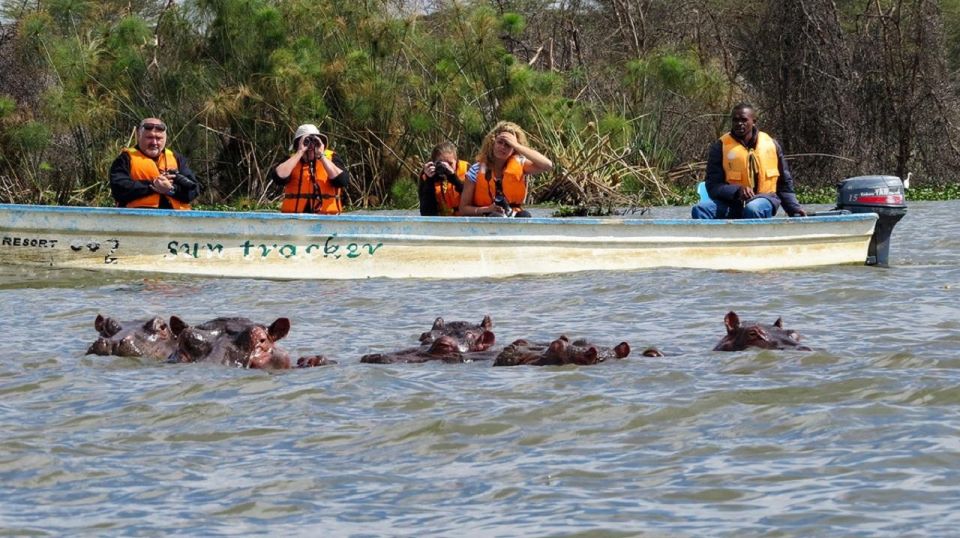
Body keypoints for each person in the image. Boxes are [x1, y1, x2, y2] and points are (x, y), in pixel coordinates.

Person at [691, 103, 806, 219]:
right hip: (731, 203)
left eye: (744, 120)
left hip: (765, 200)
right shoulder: (719, 147)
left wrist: (794, 208)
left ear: (754, 121)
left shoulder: (771, 145)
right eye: (735, 120)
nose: (739, 123)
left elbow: (784, 183)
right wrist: (737, 191)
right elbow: (713, 186)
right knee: (700, 209)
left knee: (753, 208)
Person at [459, 121, 553, 217]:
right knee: (496, 216)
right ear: (492, 143)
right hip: (487, 217)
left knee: (524, 215)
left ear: (513, 149)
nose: (502, 147)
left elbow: (547, 165)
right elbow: (463, 209)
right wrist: (487, 209)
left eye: (508, 145)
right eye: (500, 142)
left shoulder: (521, 164)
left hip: (513, 215)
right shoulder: (475, 170)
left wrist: (516, 145)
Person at [109, 118, 201, 209]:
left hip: (174, 220)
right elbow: (119, 190)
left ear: (165, 138)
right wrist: (153, 186)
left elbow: (193, 191)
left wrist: (171, 189)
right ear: (138, 136)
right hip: (137, 219)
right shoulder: (125, 159)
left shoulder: (177, 159)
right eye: (149, 137)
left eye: (159, 138)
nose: (154, 142)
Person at [268, 123, 349, 214]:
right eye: (306, 141)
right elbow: (278, 178)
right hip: (295, 220)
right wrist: (300, 152)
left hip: (327, 219)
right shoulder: (290, 161)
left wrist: (321, 156)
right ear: (297, 144)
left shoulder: (332, 158)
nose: (310, 146)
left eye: (314, 141)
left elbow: (342, 181)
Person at [418, 141, 468, 216]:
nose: (445, 167)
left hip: (463, 220)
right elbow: (426, 213)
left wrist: (454, 178)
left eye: (450, 164)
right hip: (440, 222)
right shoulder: (426, 176)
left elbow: (473, 200)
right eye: (441, 163)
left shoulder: (467, 171)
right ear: (434, 163)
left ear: (456, 162)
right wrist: (429, 181)